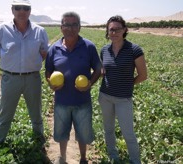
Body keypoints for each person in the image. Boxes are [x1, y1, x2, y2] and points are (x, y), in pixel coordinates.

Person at [45, 11, 102, 164]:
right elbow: (48, 71)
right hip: (61, 100)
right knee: (62, 133)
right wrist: (51, 83)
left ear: (79, 27)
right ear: (61, 27)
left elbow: (98, 69)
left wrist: (90, 83)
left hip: (82, 101)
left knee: (83, 133)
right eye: (66, 25)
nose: (70, 28)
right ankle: (62, 157)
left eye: (74, 24)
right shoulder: (54, 49)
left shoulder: (88, 46)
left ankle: (83, 158)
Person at [0, 0, 49, 149]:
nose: (21, 11)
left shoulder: (40, 31)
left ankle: (39, 142)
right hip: (10, 78)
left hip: (33, 78)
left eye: (25, 8)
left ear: (30, 11)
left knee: (36, 113)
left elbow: (44, 53)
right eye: (18, 7)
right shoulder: (2, 29)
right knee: (5, 115)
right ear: (12, 10)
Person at [98, 15, 147, 164]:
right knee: (108, 129)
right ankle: (113, 156)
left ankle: (135, 161)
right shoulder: (104, 50)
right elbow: (103, 71)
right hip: (105, 96)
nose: (114, 32)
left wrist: (128, 84)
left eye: (117, 29)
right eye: (111, 29)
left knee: (128, 133)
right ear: (107, 31)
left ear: (124, 30)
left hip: (123, 99)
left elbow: (143, 75)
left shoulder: (134, 50)